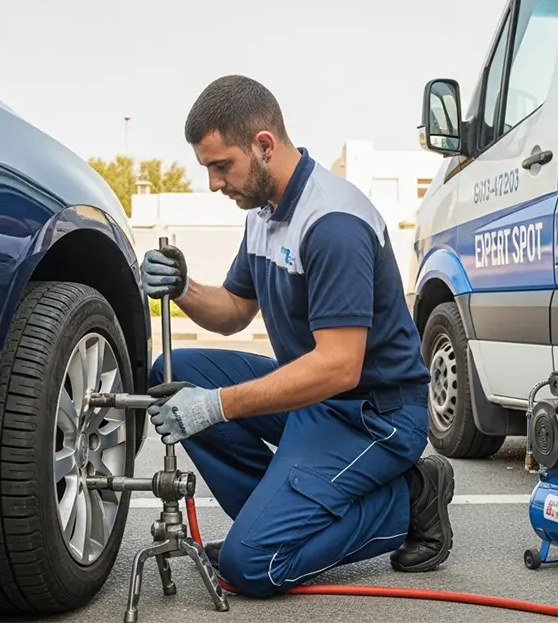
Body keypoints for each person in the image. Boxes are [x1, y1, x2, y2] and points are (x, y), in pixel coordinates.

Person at [139, 75, 455, 599]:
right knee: (174, 373)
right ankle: (279, 515)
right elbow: (235, 311)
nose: (214, 184)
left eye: (222, 166)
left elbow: (338, 365)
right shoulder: (263, 212)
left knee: (252, 566)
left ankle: (410, 499)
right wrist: (183, 285)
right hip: (316, 400)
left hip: (373, 415)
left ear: (263, 145)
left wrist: (216, 406)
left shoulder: (332, 222)